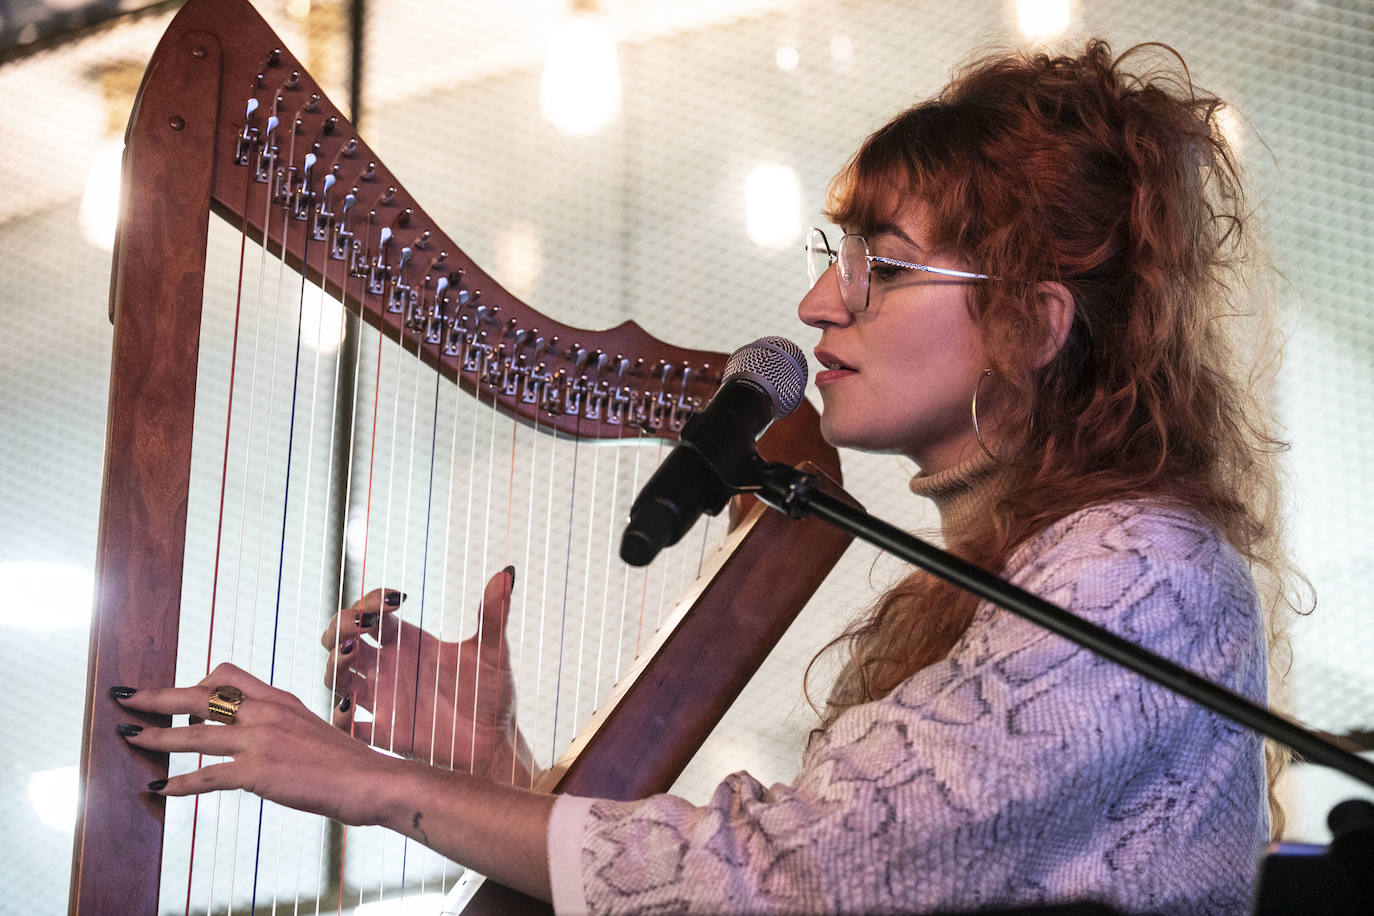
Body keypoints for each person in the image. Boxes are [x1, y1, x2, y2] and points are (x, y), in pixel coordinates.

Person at [112, 39, 1302, 914]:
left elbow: (799, 876)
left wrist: (365, 782)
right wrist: (493, 771)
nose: (818, 304)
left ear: (1037, 323)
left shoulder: (1141, 572)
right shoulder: (1020, 577)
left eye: (881, 269)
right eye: (835, 259)